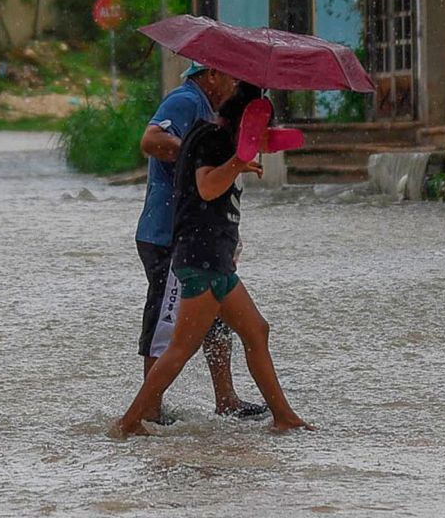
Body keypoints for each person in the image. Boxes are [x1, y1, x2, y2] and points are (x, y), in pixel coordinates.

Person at [118, 84, 312, 436]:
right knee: (181, 348)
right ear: (246, 125)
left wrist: (243, 158)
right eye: (262, 128)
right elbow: (207, 187)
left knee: (256, 330)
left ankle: (284, 417)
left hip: (216, 260)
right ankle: (131, 421)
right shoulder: (213, 140)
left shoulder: (216, 140)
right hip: (201, 261)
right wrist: (238, 163)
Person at [135, 62, 267, 420]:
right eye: (231, 77)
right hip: (168, 234)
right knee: (166, 323)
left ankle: (226, 398)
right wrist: (196, 155)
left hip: (201, 236)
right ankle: (147, 411)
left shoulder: (210, 114)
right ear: (210, 75)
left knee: (216, 317)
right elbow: (150, 141)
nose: (234, 85)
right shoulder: (186, 100)